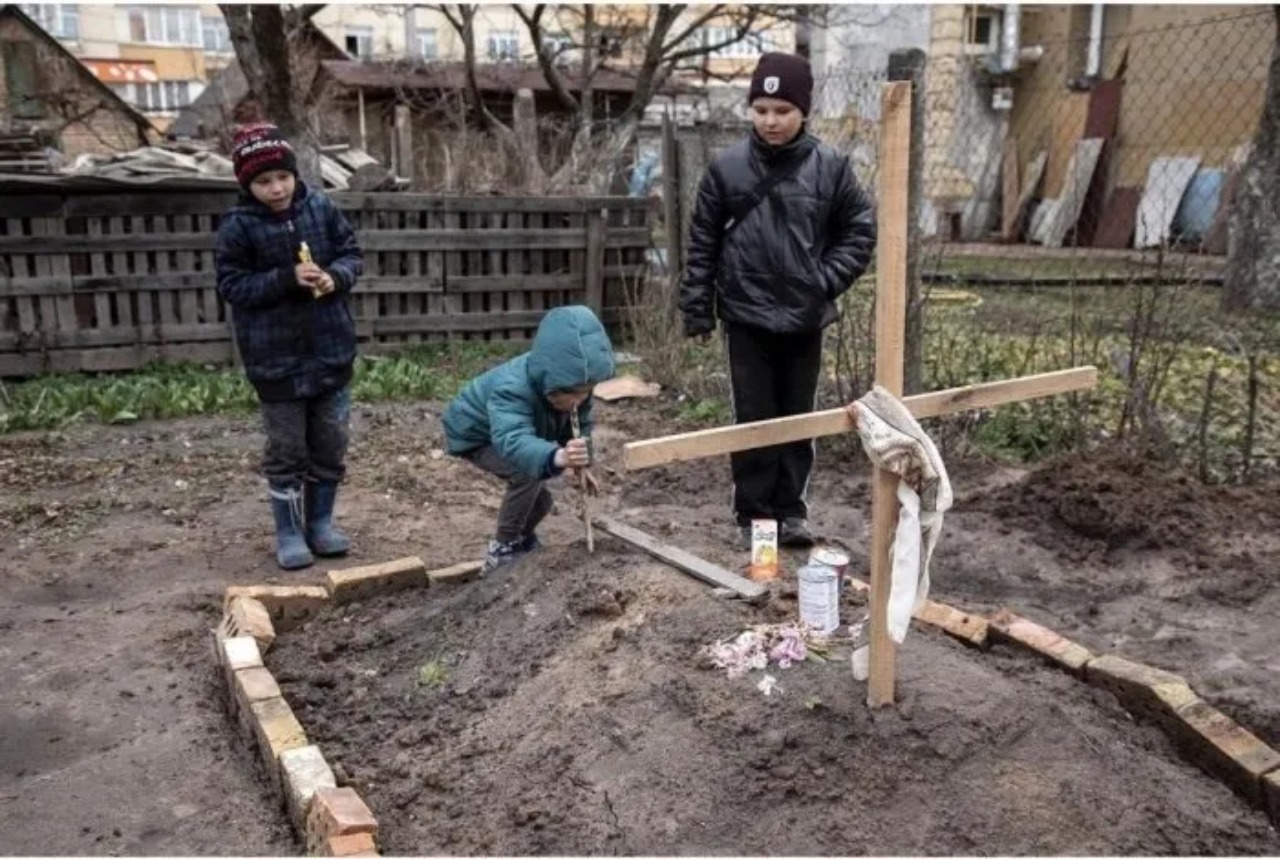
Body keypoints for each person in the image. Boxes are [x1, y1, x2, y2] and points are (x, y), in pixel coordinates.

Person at [679, 51, 877, 550]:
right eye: (761, 109)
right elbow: (702, 241)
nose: (771, 120)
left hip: (804, 317)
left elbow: (859, 230)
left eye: (782, 110)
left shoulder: (830, 168)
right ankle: (753, 515)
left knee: (797, 416)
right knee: (753, 416)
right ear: (750, 109)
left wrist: (824, 280)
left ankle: (791, 512)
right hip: (745, 314)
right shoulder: (725, 168)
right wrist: (697, 307)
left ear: (803, 111)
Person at [215, 122, 364, 570]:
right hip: (275, 360)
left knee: (330, 443)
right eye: (263, 181)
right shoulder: (237, 226)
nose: (276, 188)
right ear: (247, 183)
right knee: (287, 449)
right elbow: (232, 285)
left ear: (295, 174)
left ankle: (319, 523)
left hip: (330, 351)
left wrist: (333, 277)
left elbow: (352, 254)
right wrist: (285, 278)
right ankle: (288, 530)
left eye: (283, 177)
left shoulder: (321, 207)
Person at [442, 305, 616, 573]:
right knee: (526, 475)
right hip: (475, 433)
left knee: (543, 501)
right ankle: (502, 548)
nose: (579, 402)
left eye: (586, 393)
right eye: (575, 395)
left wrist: (583, 463)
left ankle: (522, 539)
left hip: (511, 432)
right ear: (551, 385)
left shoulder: (574, 390)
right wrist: (558, 456)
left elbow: (579, 427)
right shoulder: (512, 389)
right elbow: (512, 438)